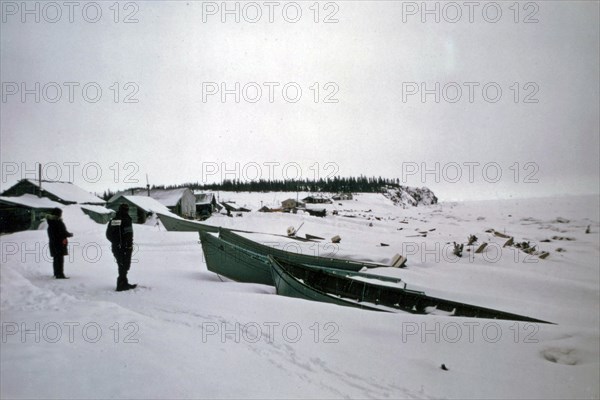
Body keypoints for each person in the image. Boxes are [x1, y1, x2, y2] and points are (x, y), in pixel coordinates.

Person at [106, 203, 137, 291]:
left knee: (125, 265)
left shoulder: (124, 219)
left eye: (127, 209)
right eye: (125, 209)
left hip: (125, 246)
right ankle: (121, 284)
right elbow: (109, 234)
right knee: (123, 265)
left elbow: (128, 234)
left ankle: (124, 282)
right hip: (121, 247)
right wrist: (117, 243)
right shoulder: (120, 219)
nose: (126, 210)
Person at [46, 207, 73, 279]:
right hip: (59, 244)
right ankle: (60, 274)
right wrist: (69, 234)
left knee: (56, 259)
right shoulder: (57, 222)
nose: (61, 215)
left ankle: (56, 273)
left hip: (53, 243)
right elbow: (62, 233)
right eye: (60, 213)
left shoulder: (51, 222)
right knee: (60, 259)